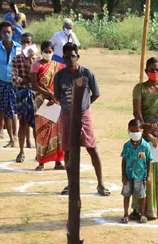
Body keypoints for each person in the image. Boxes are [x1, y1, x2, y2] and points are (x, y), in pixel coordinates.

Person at [54, 44, 111, 197]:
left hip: (84, 114)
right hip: (66, 114)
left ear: (77, 57)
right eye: (66, 56)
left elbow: (96, 93)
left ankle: (101, 183)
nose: (69, 59)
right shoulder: (59, 76)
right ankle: (71, 183)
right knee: (68, 151)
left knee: (92, 148)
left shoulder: (86, 73)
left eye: (72, 56)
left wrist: (83, 106)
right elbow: (57, 96)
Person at [131, 57, 158, 221]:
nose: (155, 72)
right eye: (151, 69)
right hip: (144, 134)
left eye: (157, 69)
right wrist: (146, 131)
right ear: (146, 71)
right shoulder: (140, 89)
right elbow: (137, 112)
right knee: (142, 170)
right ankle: (138, 208)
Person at [31, 39, 65, 171]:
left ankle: (58, 161)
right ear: (41, 51)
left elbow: (61, 84)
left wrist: (54, 96)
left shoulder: (58, 65)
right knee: (42, 131)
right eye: (45, 51)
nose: (47, 54)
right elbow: (34, 84)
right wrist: (48, 94)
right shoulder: (36, 65)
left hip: (55, 101)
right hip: (41, 101)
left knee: (57, 131)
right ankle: (41, 161)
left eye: (50, 52)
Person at [0, 21, 20, 148]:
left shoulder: (18, 48)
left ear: (12, 33)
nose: (6, 34)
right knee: (3, 108)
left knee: (12, 110)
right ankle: (9, 136)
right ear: (0, 33)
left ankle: (15, 135)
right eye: (4, 32)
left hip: (15, 83)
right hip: (1, 82)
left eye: (8, 32)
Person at [10, 32, 38, 163]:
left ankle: (39, 152)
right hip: (22, 93)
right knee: (23, 122)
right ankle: (21, 151)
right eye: (23, 42)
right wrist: (29, 79)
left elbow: (40, 77)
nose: (26, 44)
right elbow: (15, 79)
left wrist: (31, 62)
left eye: (28, 42)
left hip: (36, 94)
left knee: (37, 124)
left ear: (32, 43)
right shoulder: (16, 59)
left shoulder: (37, 59)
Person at [121, 119, 153, 224]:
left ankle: (142, 214)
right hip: (128, 174)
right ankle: (126, 214)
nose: (135, 134)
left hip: (140, 175)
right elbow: (124, 160)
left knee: (141, 195)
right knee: (126, 194)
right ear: (128, 131)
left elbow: (148, 161)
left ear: (142, 131)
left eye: (137, 131)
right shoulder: (126, 146)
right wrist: (123, 176)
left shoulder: (145, 146)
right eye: (132, 131)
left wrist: (148, 176)